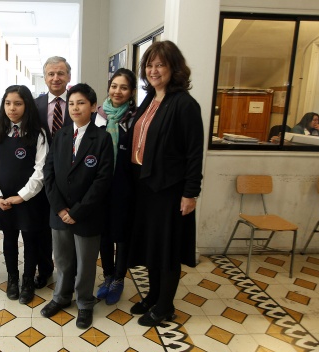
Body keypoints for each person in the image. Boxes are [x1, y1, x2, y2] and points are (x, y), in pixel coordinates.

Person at [127, 41, 204, 327]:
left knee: (167, 248)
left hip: (169, 190)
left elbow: (195, 153)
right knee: (151, 246)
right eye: (149, 65)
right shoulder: (149, 99)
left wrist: (190, 193)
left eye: (160, 64)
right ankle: (153, 296)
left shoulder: (185, 104)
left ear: (174, 67)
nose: (153, 70)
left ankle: (165, 306)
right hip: (145, 186)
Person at [41, 83, 114, 329]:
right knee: (62, 260)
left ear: (93, 107)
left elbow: (103, 181)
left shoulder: (102, 139)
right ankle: (61, 297)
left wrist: (78, 211)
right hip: (59, 213)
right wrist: (60, 209)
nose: (75, 108)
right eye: (71, 103)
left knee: (85, 263)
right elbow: (48, 173)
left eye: (81, 103)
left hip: (88, 214)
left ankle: (84, 302)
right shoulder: (60, 136)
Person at [0, 85, 49, 305]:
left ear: (27, 105)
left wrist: (22, 196)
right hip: (3, 199)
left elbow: (40, 171)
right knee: (9, 239)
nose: (12, 108)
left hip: (29, 199)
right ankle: (12, 279)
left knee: (31, 240)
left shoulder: (38, 133)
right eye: (8, 103)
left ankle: (28, 280)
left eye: (18, 103)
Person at [93, 68, 137, 305]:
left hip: (124, 185)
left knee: (122, 233)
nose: (117, 91)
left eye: (123, 87)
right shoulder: (97, 116)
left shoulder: (135, 119)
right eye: (114, 86)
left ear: (131, 92)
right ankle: (108, 275)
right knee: (104, 233)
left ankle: (119, 278)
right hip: (100, 184)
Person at [32, 56, 72, 289]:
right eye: (51, 74)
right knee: (42, 227)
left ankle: (70, 273)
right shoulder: (34, 104)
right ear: (45, 77)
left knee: (68, 225)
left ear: (68, 76)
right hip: (41, 176)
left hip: (70, 177)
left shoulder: (78, 102)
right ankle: (45, 269)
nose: (55, 78)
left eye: (60, 73)